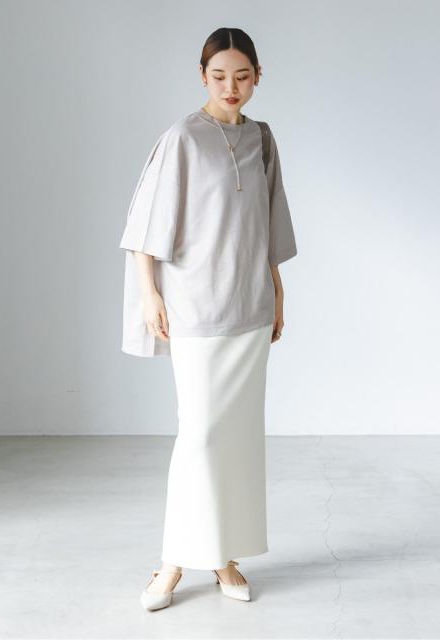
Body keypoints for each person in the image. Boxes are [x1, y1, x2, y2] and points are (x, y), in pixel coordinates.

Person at [118, 27, 298, 611]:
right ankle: (174, 561)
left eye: (242, 76)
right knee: (198, 435)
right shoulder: (183, 138)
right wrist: (150, 295)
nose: (230, 87)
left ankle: (223, 557)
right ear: (202, 76)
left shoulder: (262, 139)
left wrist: (276, 288)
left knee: (237, 439)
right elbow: (145, 227)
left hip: (250, 307)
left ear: (258, 76)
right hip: (195, 308)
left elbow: (269, 224)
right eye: (219, 76)